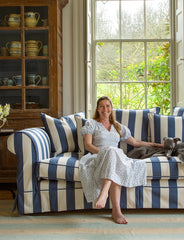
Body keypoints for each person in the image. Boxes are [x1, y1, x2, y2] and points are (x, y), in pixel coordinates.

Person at [79, 96, 163, 224]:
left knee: (114, 156)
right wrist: (105, 152)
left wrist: (157, 145)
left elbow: (135, 142)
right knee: (111, 152)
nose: (105, 109)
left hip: (116, 158)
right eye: (101, 106)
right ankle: (115, 210)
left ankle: (108, 199)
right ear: (97, 109)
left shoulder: (118, 126)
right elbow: (88, 145)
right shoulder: (92, 124)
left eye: (107, 106)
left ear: (111, 108)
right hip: (98, 156)